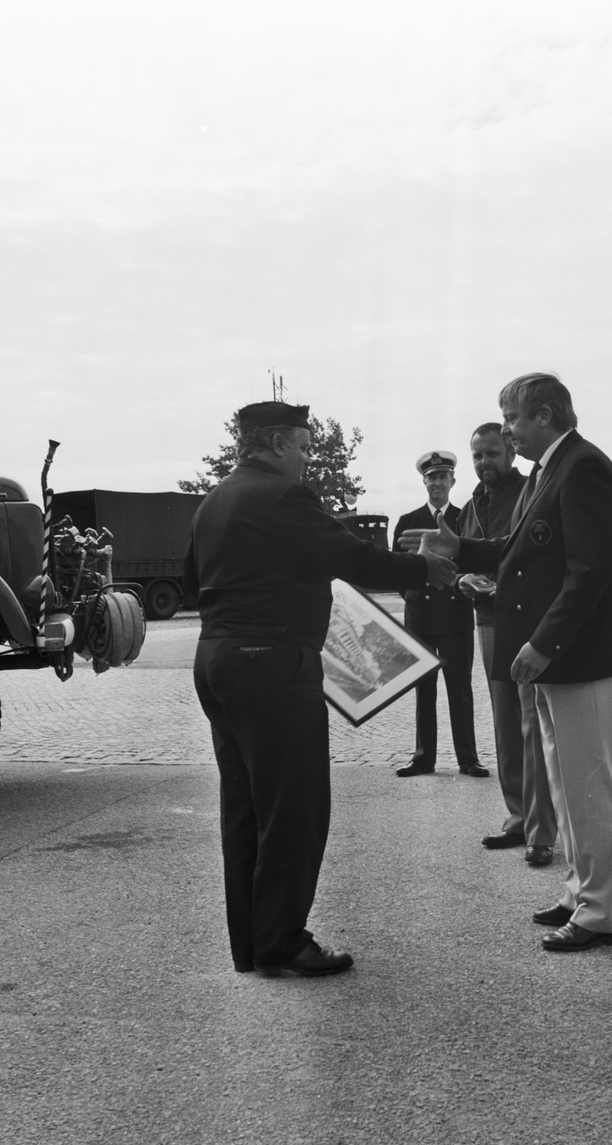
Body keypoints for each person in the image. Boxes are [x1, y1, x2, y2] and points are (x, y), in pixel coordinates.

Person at [184, 401, 456, 977]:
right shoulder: (283, 496)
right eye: (305, 446)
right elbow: (350, 557)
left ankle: (252, 946)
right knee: (294, 810)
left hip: (217, 660)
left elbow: (195, 580)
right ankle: (284, 941)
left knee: (246, 809)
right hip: (272, 665)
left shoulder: (215, 500)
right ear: (277, 444)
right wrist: (421, 569)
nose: (309, 459)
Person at [404, 373, 612, 952]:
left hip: (581, 655)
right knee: (563, 783)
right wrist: (461, 548)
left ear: (544, 414)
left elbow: (589, 573)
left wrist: (542, 643)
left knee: (589, 787)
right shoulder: (549, 469)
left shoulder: (584, 467)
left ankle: (602, 913)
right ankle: (579, 890)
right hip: (561, 657)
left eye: (511, 419)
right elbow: (519, 551)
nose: (507, 431)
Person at [457, 423, 557, 866]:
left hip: (523, 619)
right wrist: (462, 579)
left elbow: (538, 556)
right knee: (504, 721)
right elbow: (458, 558)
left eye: (492, 454)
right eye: (477, 456)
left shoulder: (530, 491)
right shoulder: (470, 506)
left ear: (510, 453)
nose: (484, 463)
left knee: (532, 722)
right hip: (486, 619)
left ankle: (540, 830)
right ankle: (516, 816)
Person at [392, 450, 487, 778]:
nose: (437, 482)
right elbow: (397, 572)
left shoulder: (465, 519)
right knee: (423, 688)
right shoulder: (407, 522)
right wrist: (413, 589)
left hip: (455, 616)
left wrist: (470, 583)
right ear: (424, 481)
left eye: (442, 477)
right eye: (431, 477)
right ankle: (423, 758)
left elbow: (478, 564)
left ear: (452, 481)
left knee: (460, 688)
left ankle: (468, 759)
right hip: (420, 617)